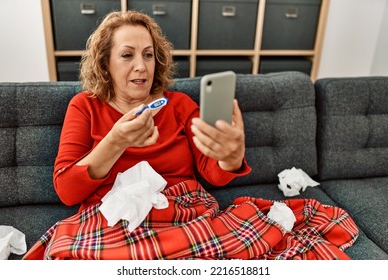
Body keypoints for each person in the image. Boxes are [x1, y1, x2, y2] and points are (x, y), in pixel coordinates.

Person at [23, 10, 357, 260]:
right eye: (127, 55)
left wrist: (229, 157)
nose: (141, 66)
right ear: (105, 62)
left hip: (184, 211)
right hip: (115, 216)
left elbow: (212, 172)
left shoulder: (180, 104)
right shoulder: (85, 106)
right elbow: (67, 191)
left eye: (148, 54)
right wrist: (116, 141)